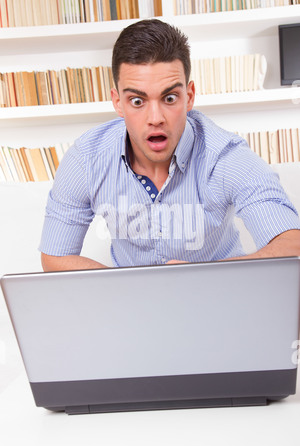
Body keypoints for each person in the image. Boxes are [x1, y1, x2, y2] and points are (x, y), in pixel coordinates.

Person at [40, 19, 300, 272]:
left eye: (170, 97)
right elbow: (55, 256)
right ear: (117, 102)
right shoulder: (86, 159)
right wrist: (125, 290)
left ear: (189, 97)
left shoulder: (225, 157)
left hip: (218, 300)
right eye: (137, 101)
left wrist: (202, 277)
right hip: (132, 306)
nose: (155, 119)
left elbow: (292, 245)